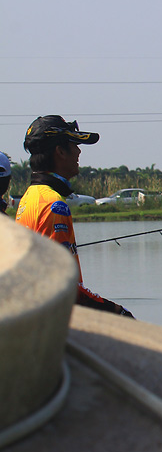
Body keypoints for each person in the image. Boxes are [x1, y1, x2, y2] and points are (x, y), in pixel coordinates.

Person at [15, 115, 134, 317]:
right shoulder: (54, 205)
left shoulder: (30, 196)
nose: (79, 151)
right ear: (60, 151)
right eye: (74, 144)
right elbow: (64, 286)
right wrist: (117, 311)